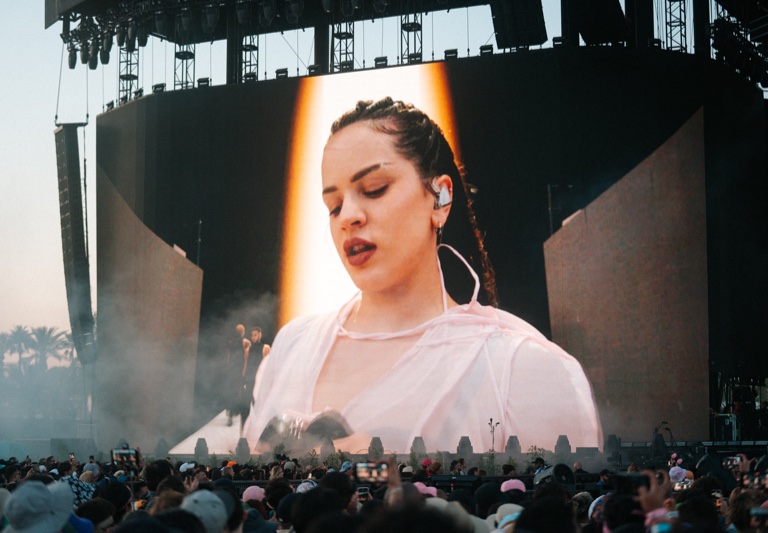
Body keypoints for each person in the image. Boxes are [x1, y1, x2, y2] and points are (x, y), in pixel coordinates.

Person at [243, 97, 602, 454]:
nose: (348, 216)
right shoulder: (292, 347)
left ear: (441, 197)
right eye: (333, 206)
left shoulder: (525, 370)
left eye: (374, 189)